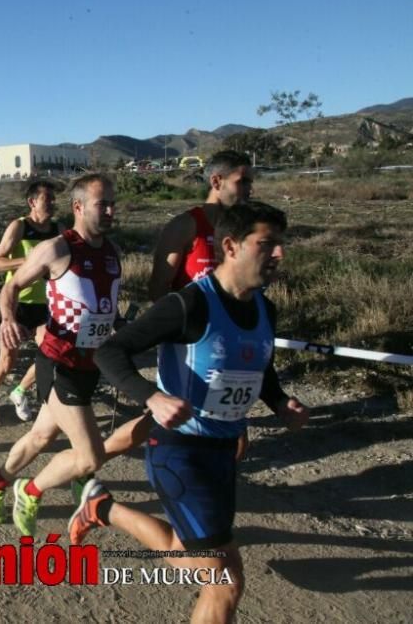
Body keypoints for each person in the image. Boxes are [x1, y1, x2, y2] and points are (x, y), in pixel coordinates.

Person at [71, 201, 309, 624]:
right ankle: (102, 508)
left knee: (187, 555)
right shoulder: (190, 304)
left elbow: (260, 364)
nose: (279, 255)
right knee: (224, 579)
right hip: (178, 451)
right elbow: (111, 351)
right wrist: (151, 396)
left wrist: (278, 401)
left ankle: (102, 508)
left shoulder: (265, 309)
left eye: (281, 245)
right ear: (231, 246)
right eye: (267, 244)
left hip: (222, 451)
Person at [0, 174, 122, 535]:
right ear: (78, 208)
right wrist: (8, 319)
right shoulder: (58, 248)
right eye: (101, 204)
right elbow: (10, 289)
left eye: (112, 203)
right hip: (59, 363)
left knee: (41, 437)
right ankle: (29, 491)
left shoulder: (111, 252)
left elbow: (105, 308)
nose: (110, 210)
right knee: (91, 455)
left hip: (90, 365)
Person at [99, 150, 256, 466]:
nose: (250, 188)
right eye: (243, 181)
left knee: (221, 423)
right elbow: (158, 288)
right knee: (171, 416)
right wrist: (186, 322)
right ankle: (92, 460)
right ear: (216, 181)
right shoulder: (186, 226)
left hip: (232, 341)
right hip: (189, 343)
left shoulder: (242, 231)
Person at [0, 180, 60, 426]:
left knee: (51, 354)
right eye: (47, 199)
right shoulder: (20, 227)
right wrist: (32, 261)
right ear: (32, 202)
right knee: (7, 362)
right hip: (18, 303)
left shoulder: (58, 228)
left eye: (54, 199)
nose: (52, 204)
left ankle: (20, 390)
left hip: (46, 304)